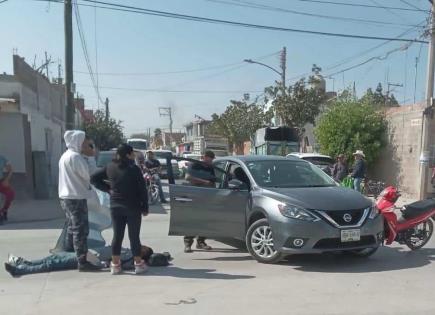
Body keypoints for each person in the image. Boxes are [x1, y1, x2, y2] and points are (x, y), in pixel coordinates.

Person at [91, 144, 149, 275]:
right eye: (132, 154)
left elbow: (94, 179)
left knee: (117, 236)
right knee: (134, 236)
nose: (134, 156)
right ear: (128, 155)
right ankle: (138, 264)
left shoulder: (110, 166)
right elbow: (142, 190)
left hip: (116, 206)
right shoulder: (134, 169)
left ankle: (115, 265)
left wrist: (108, 189)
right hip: (133, 206)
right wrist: (145, 207)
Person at [58, 130, 100, 272]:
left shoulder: (66, 156)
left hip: (67, 196)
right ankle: (82, 261)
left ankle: (70, 254)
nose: (86, 145)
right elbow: (89, 175)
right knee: (80, 230)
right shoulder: (75, 157)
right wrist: (92, 157)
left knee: (72, 227)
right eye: (84, 142)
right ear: (78, 142)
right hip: (75, 197)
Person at [4, 245, 172, 277]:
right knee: (53, 258)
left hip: (90, 258)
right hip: (88, 251)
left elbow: (128, 265)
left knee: (52, 263)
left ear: (143, 253)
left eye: (143, 247)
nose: (140, 245)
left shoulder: (130, 258)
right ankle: (24, 263)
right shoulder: (128, 249)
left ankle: (20, 270)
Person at [183, 150, 216, 253]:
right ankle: (188, 244)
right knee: (193, 220)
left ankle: (201, 242)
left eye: (211, 160)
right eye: (209, 159)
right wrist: (205, 182)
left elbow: (213, 180)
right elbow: (188, 177)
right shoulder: (194, 165)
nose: (210, 162)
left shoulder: (211, 168)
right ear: (204, 157)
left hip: (206, 197)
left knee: (205, 220)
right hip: (194, 195)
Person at [0, 154, 15, 224]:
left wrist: (6, 180)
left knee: (11, 194)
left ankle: (4, 210)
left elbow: (10, 169)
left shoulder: (2, 158)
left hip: (1, 181)